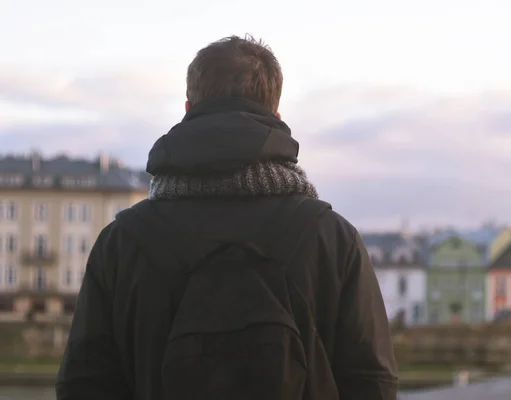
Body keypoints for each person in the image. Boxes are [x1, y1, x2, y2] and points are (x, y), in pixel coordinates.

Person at [56, 35, 398, 400]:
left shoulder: (122, 242)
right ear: (276, 117)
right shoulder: (332, 238)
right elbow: (372, 383)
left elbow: (84, 385)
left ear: (188, 109)